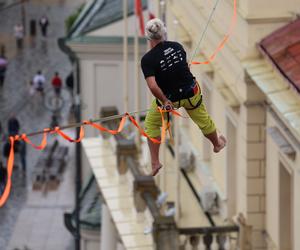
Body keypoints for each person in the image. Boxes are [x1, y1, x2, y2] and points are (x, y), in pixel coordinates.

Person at [141, 18, 226, 176]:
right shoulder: (177, 46)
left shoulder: (147, 60)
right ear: (163, 33)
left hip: (169, 99)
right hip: (190, 92)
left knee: (151, 124)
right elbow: (181, 68)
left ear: (149, 38)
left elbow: (152, 85)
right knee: (203, 119)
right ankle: (217, 143)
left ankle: (155, 162)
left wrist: (165, 101)